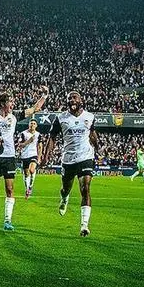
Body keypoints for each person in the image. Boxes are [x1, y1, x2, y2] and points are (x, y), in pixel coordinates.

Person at [41, 91, 98, 237]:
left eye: (74, 98)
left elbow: (92, 134)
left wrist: (97, 148)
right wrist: (46, 157)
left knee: (85, 188)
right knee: (66, 188)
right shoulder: (61, 118)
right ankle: (65, 198)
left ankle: (84, 225)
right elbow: (52, 138)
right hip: (68, 159)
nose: (72, 100)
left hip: (86, 157)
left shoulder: (90, 117)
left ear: (81, 100)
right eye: (69, 98)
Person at [0, 88, 48, 230]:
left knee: (10, 189)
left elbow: (35, 108)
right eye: (10, 101)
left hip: (9, 157)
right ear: (3, 104)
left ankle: (7, 220)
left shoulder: (15, 115)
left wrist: (44, 95)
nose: (13, 103)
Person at [18, 119, 42, 199]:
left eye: (34, 123)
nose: (32, 125)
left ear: (36, 126)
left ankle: (31, 186)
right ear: (29, 125)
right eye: (31, 123)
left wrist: (39, 157)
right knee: (26, 174)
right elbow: (20, 145)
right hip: (25, 155)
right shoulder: (23, 134)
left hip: (33, 155)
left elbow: (40, 146)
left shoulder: (38, 134)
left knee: (32, 170)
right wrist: (28, 141)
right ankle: (27, 189)